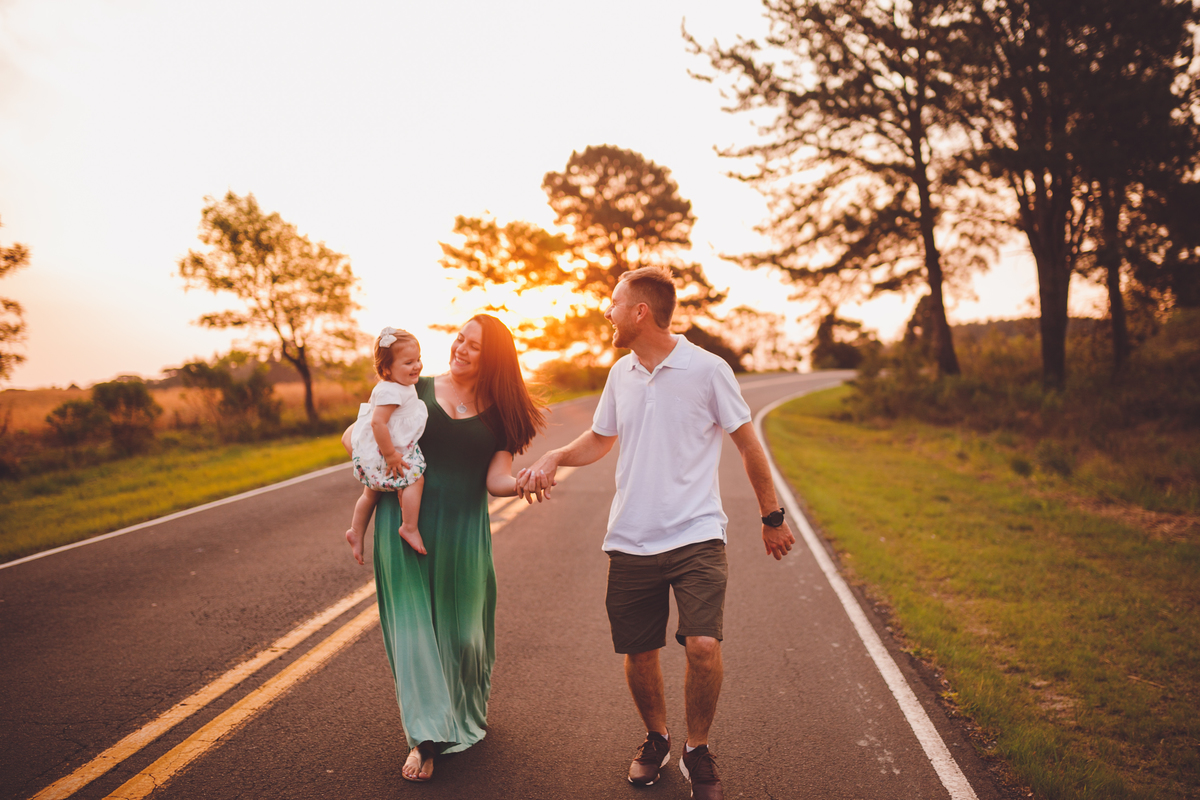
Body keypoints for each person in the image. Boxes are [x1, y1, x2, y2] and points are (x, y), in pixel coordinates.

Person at [517, 267, 796, 800]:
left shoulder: (709, 370)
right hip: (630, 539)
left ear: (639, 311)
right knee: (639, 651)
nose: (607, 312)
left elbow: (747, 444)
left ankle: (698, 748)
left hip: (696, 534)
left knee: (704, 646)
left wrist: (772, 517)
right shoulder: (621, 372)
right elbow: (601, 439)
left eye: (614, 302)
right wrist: (554, 455)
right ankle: (656, 738)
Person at [341, 314, 547, 782]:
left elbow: (496, 480)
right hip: (404, 527)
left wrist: (523, 484)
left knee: (462, 638)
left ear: (492, 357)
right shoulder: (416, 387)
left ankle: (456, 716)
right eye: (459, 338)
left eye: (474, 345)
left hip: (462, 534)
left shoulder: (503, 413)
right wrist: (373, 454)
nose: (461, 348)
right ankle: (424, 740)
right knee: (415, 636)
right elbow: (357, 431)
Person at [345, 327, 428, 563]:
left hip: (383, 450)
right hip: (388, 450)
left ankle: (355, 531)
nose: (417, 366)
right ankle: (409, 526)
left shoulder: (399, 385)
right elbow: (378, 423)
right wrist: (391, 455)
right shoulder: (391, 391)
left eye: (418, 359)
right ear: (387, 369)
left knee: (370, 494)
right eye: (409, 362)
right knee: (415, 479)